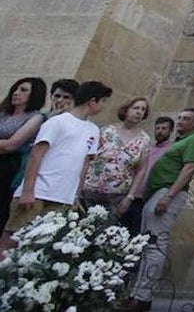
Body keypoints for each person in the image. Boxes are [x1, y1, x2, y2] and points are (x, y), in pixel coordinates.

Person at [1, 80, 111, 251]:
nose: (104, 106)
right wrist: (28, 190)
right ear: (93, 101)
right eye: (103, 101)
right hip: (37, 193)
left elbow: (85, 164)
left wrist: (75, 196)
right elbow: (36, 155)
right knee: (13, 239)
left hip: (62, 198)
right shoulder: (58, 122)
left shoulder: (94, 130)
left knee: (40, 248)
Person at [126, 108, 194, 311]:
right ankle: (137, 293)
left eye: (186, 119)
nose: (180, 121)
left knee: (155, 243)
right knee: (146, 244)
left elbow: (188, 169)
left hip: (167, 193)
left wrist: (169, 195)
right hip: (157, 193)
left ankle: (143, 296)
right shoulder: (180, 141)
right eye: (180, 117)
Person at [81, 96, 152, 212]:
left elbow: (141, 170)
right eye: (136, 108)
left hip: (116, 196)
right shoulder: (106, 131)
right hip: (90, 190)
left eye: (143, 109)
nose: (139, 112)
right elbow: (88, 158)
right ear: (126, 110)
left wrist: (130, 196)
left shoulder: (145, 140)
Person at [0, 78, 48, 230]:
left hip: (7, 166)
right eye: (16, 89)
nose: (16, 93)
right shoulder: (3, 113)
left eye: (23, 90)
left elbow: (11, 145)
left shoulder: (35, 117)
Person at [122, 116, 173, 236]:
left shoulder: (171, 150)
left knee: (138, 232)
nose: (160, 131)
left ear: (170, 131)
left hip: (149, 197)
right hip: (133, 195)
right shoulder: (147, 148)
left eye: (164, 128)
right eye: (158, 128)